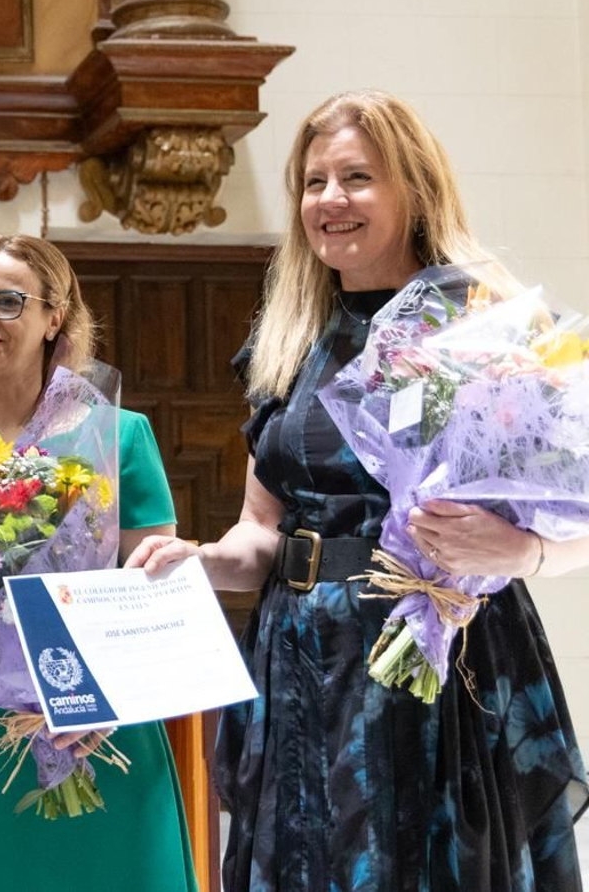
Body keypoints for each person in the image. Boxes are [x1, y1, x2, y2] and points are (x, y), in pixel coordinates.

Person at [128, 90, 589, 889]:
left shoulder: (485, 324)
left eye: (357, 178)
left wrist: (526, 549)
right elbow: (259, 534)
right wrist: (200, 561)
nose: (330, 201)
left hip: (439, 658)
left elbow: (574, 509)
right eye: (314, 183)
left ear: (413, 189)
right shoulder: (291, 338)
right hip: (303, 656)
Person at [0, 234, 197, 892]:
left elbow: (158, 589)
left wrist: (98, 699)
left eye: (7, 302)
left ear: (55, 317)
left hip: (92, 723)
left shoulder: (117, 434)